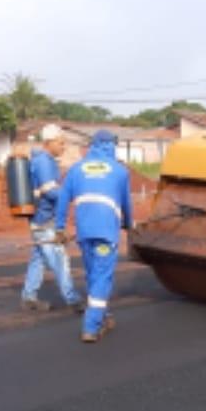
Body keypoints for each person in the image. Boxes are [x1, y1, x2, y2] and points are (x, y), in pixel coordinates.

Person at [54, 129, 133, 343]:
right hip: (106, 232)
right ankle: (91, 326)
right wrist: (128, 223)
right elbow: (126, 202)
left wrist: (59, 228)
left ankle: (104, 315)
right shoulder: (119, 171)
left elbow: (62, 199)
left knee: (92, 274)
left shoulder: (76, 169)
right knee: (103, 276)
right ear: (111, 145)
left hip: (85, 232)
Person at [20, 124, 83, 312]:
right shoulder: (44, 162)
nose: (63, 147)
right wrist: (73, 197)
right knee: (59, 258)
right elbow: (50, 191)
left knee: (39, 259)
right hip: (45, 220)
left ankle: (28, 297)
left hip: (40, 218)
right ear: (49, 142)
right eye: (61, 143)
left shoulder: (43, 160)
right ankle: (73, 299)